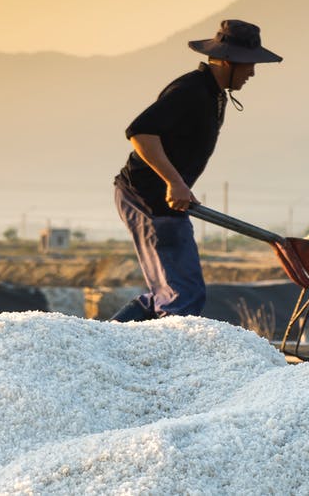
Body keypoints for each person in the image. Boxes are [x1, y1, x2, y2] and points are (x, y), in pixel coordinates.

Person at [110, 19, 282, 322]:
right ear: (229, 61)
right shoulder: (190, 90)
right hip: (146, 196)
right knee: (183, 296)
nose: (253, 72)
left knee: (174, 293)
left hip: (164, 198)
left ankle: (102, 343)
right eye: (250, 65)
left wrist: (181, 188)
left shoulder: (214, 94)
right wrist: (174, 183)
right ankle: (157, 365)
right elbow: (141, 133)